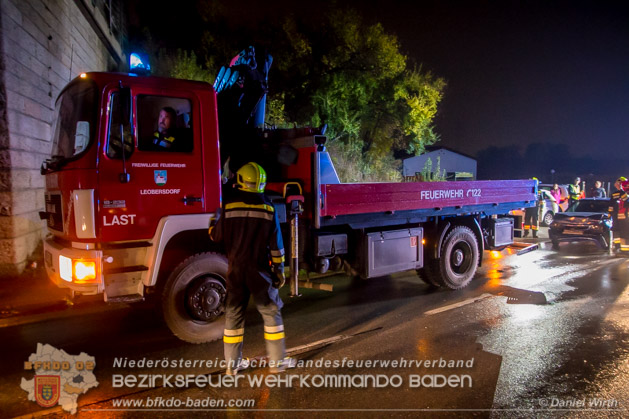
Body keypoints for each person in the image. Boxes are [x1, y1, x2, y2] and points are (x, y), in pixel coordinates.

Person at [209, 162, 295, 374]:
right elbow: (277, 245)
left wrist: (214, 219)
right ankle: (277, 363)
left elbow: (215, 236)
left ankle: (232, 366)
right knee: (271, 313)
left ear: (240, 181)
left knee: (234, 316)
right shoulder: (268, 208)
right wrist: (279, 270)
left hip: (235, 270)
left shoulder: (228, 207)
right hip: (259, 272)